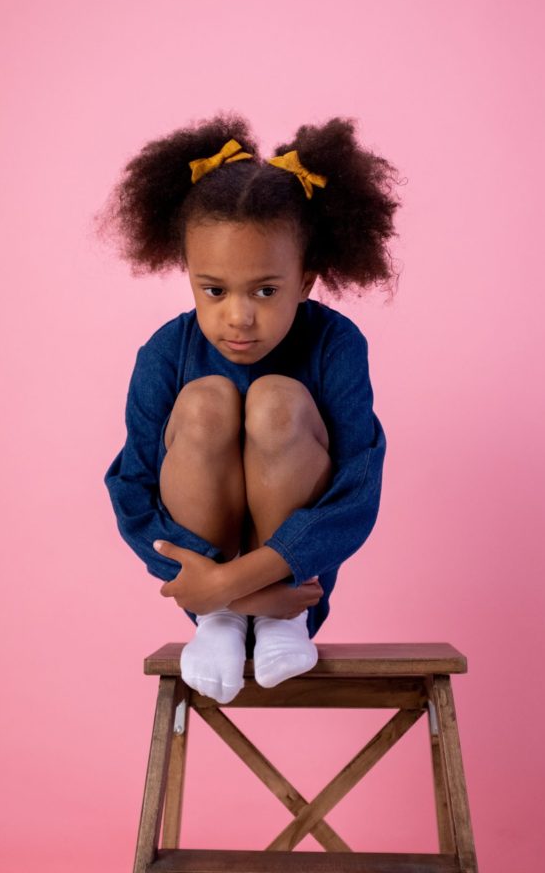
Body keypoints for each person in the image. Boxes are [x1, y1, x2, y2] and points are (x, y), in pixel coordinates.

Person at [96, 111, 401, 705]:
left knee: (275, 399)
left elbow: (358, 487)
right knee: (205, 402)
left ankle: (275, 625)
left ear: (306, 280)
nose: (238, 316)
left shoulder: (336, 344)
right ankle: (224, 627)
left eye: (266, 290)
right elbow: (132, 486)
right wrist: (217, 593)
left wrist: (245, 582)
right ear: (187, 274)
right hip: (203, 590)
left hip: (293, 587)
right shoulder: (166, 352)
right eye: (214, 290)